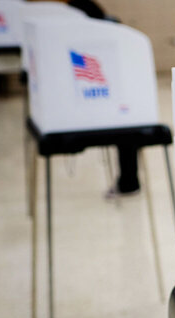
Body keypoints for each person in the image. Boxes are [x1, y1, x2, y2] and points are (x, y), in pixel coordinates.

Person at [61, 0, 141, 196]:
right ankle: (129, 181)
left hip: (106, 103)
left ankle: (129, 181)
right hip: (121, 104)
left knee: (124, 123)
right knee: (126, 122)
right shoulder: (115, 35)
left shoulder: (74, 29)